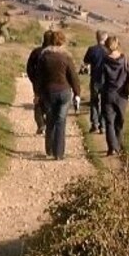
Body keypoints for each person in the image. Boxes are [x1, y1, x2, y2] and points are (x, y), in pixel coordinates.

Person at [37, 30, 81, 160]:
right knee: (61, 122)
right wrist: (77, 93)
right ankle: (59, 153)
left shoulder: (44, 57)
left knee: (50, 121)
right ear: (62, 42)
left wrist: (37, 93)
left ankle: (49, 150)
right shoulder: (66, 57)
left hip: (49, 92)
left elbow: (39, 77)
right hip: (64, 92)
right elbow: (73, 77)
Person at [100, 35, 129, 156]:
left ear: (106, 46)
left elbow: (100, 79)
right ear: (117, 44)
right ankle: (118, 145)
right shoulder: (125, 59)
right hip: (122, 95)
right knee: (120, 122)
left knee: (109, 122)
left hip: (108, 93)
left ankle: (112, 148)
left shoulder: (104, 60)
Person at [26, 30, 54, 135]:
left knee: (38, 104)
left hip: (38, 83)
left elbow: (29, 68)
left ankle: (41, 125)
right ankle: (49, 123)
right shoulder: (54, 53)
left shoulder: (36, 52)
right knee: (50, 104)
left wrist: (33, 79)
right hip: (52, 82)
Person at [82, 30, 109, 134]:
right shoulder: (108, 50)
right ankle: (103, 125)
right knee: (104, 102)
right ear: (105, 38)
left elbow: (86, 61)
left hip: (95, 79)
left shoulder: (92, 49)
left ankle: (95, 124)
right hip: (106, 80)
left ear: (97, 38)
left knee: (94, 102)